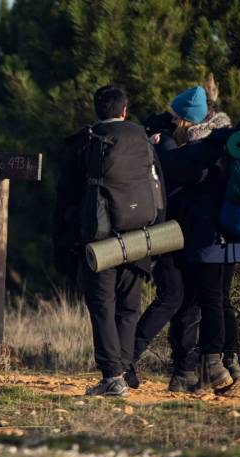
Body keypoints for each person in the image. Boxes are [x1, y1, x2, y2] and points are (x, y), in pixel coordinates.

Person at [129, 86, 240, 393]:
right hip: (230, 233)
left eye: (175, 116)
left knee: (196, 300)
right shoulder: (227, 141)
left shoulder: (198, 150)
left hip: (200, 237)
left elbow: (177, 169)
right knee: (214, 299)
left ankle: (204, 367)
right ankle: (225, 365)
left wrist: (158, 149)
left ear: (185, 120)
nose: (172, 121)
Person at [76, 85, 161, 397]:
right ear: (125, 110)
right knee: (129, 306)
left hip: (101, 235)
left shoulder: (90, 139)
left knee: (102, 305)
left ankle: (112, 376)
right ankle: (124, 370)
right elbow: (157, 183)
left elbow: (72, 192)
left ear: (98, 110)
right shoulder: (142, 137)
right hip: (139, 231)